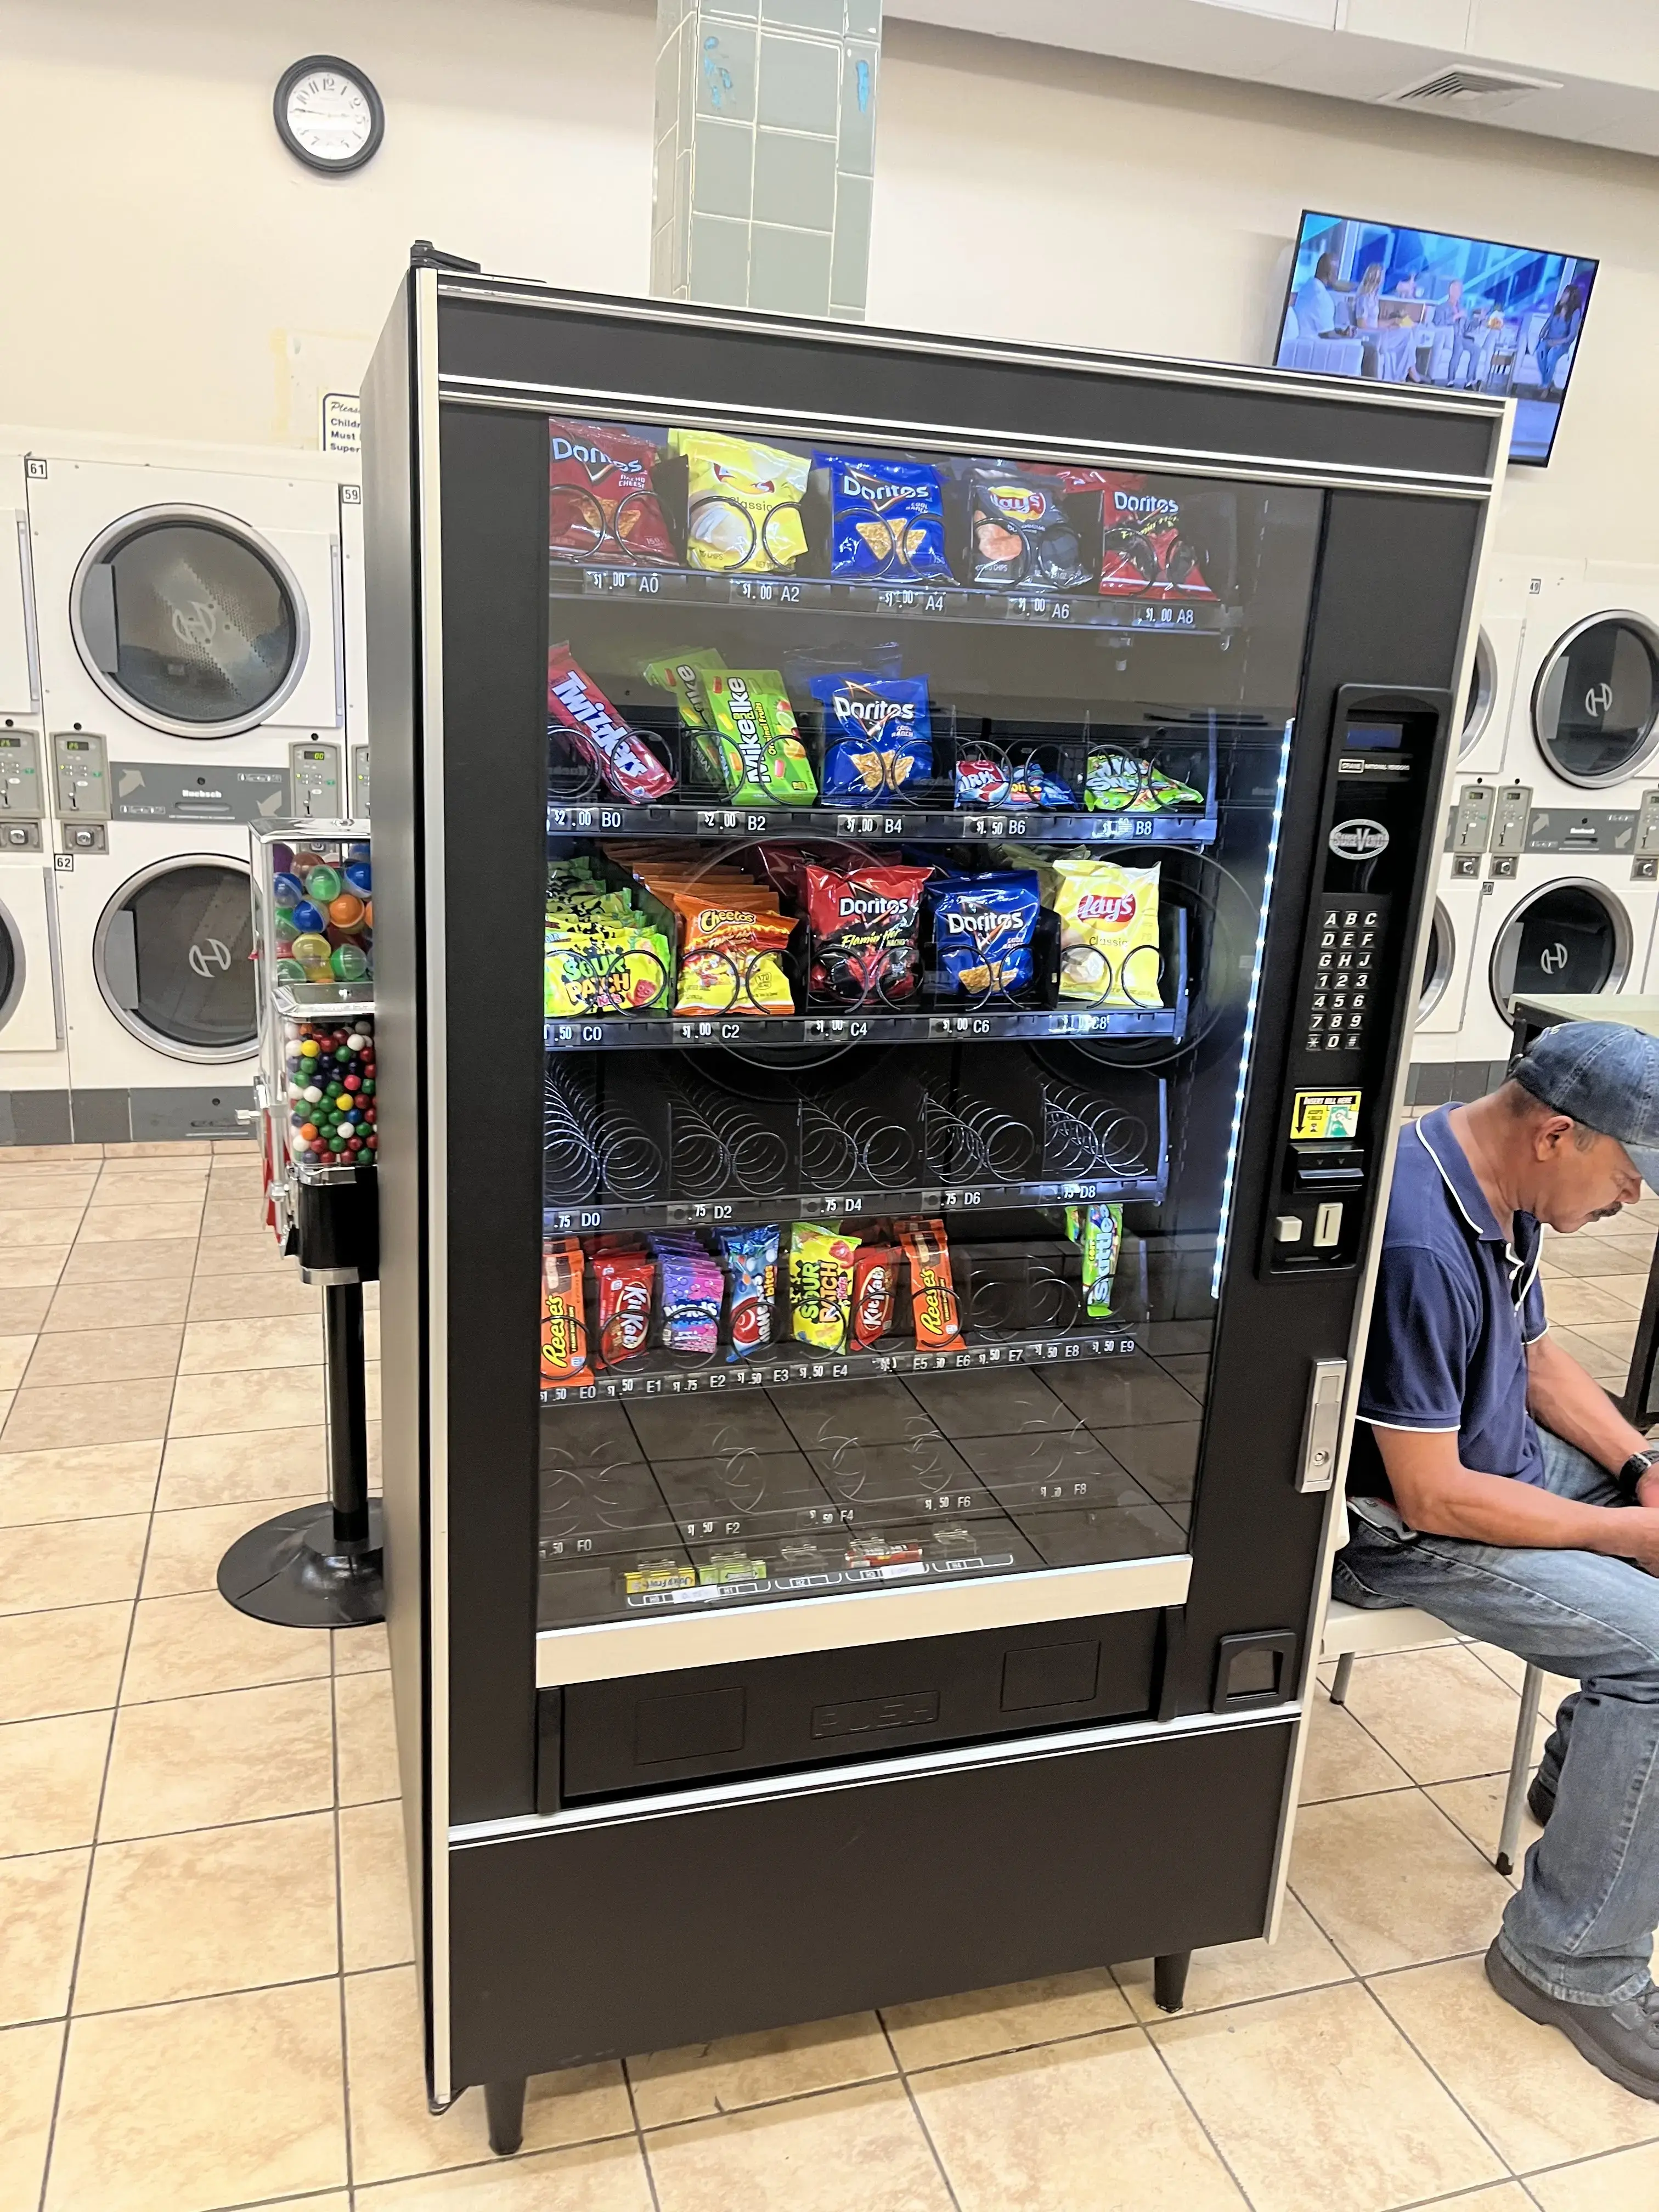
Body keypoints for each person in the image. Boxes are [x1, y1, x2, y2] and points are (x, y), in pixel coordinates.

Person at [1336, 1024, 1659, 2096]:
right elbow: (1428, 1494)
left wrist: (1638, 1465)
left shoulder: (1495, 1184)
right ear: (1559, 1136)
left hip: (1498, 1471)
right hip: (1417, 1533)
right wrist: (1625, 1532)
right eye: (1627, 1176)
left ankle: (1590, 1779)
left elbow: (1533, 1359)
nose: (1634, 1201)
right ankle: (1565, 1963)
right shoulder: (1422, 1238)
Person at [1535, 285, 1584, 392]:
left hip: (1562, 343)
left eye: (1566, 294)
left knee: (1551, 355)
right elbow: (1549, 321)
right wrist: (1542, 332)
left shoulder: (1576, 312)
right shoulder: (1558, 307)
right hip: (1549, 339)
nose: (1563, 295)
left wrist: (1558, 342)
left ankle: (1546, 384)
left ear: (1571, 297)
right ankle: (1547, 380)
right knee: (1540, 351)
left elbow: (1571, 335)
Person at [1294, 252, 1347, 341]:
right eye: (1337, 271)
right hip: (1313, 345)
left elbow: (1322, 328)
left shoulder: (1307, 287)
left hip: (1301, 341)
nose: (1337, 276)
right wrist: (1346, 338)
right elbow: (1328, 335)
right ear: (1330, 274)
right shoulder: (1322, 297)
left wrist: (1340, 332)